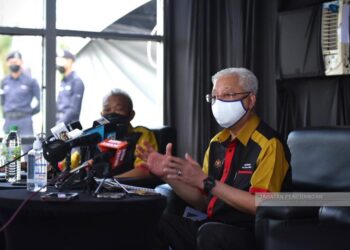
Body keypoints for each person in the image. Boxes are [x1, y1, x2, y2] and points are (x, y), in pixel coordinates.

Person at [137, 67, 292, 250]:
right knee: (152, 222)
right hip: (212, 227)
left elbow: (262, 205)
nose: (218, 102)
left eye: (227, 95)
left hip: (252, 234)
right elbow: (203, 201)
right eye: (214, 97)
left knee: (211, 233)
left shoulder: (269, 144)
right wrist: (166, 176)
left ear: (250, 100)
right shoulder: (217, 143)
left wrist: (207, 181)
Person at [101, 88, 158, 178]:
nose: (112, 114)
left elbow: (145, 170)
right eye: (107, 110)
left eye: (118, 109)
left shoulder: (141, 135)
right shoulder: (93, 136)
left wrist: (108, 182)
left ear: (131, 115)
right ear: (101, 114)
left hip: (126, 189)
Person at [0, 51, 40, 137]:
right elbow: (2, 100)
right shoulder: (4, 82)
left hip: (25, 121)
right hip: (9, 121)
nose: (13, 64)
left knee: (28, 149)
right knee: (9, 149)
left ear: (21, 62)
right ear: (7, 63)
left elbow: (41, 100)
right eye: (11, 62)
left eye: (16, 62)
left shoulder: (30, 81)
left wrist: (30, 113)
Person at [56, 50, 84, 125]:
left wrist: (60, 124)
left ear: (70, 61)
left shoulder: (76, 81)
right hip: (59, 122)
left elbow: (74, 109)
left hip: (69, 125)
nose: (59, 63)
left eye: (62, 60)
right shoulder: (63, 81)